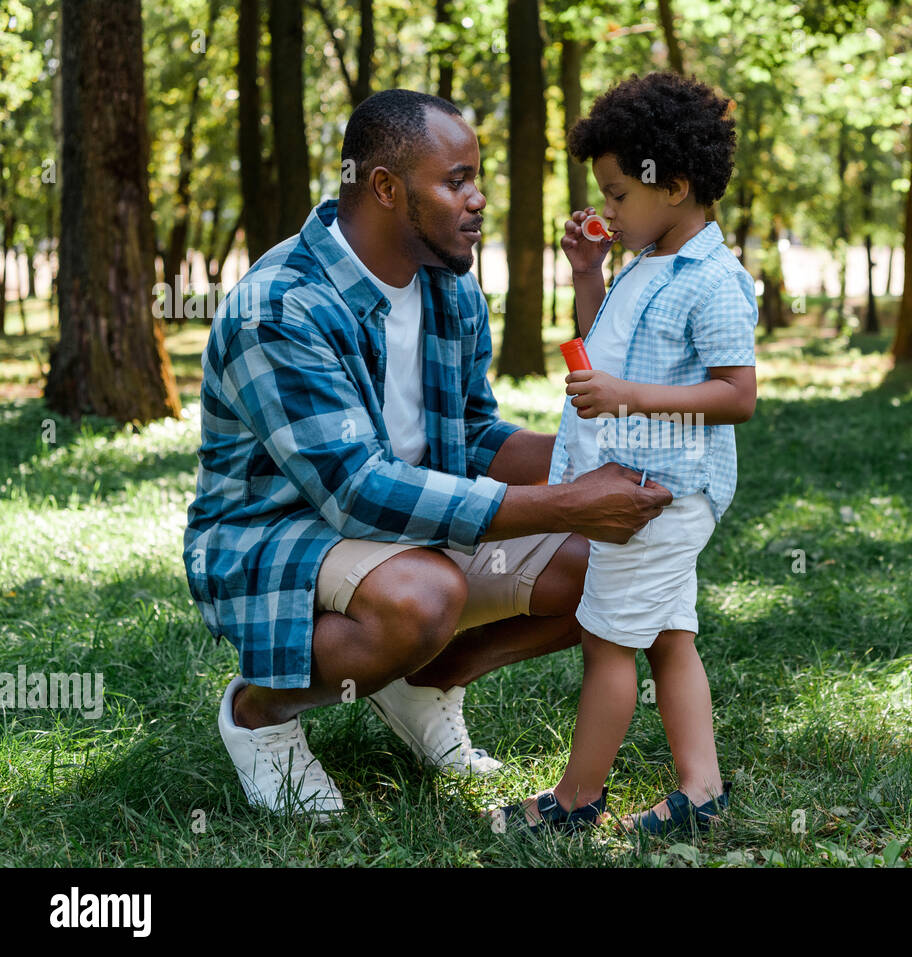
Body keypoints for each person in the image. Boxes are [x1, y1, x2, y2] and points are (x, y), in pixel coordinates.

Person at [183, 89, 672, 818]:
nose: (477, 199)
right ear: (385, 187)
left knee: (606, 560)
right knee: (424, 595)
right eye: (456, 180)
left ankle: (426, 680)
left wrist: (608, 467)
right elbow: (356, 492)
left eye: (477, 178)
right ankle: (260, 711)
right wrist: (572, 500)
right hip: (277, 537)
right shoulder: (281, 306)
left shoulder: (449, 286)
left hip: (406, 525)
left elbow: (473, 433)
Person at [493, 73, 757, 835]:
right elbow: (600, 354)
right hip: (639, 487)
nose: (607, 210)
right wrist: (585, 277)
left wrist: (629, 397)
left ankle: (574, 805)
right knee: (672, 635)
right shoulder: (644, 265)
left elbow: (737, 395)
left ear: (673, 186)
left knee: (607, 646)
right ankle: (700, 791)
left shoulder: (712, 280)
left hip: (659, 495)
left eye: (617, 195)